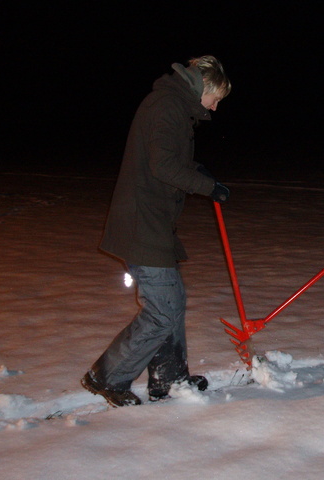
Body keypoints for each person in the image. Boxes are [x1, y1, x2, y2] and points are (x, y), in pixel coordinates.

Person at [81, 55, 232, 406]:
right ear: (203, 87)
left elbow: (168, 158)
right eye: (217, 97)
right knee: (163, 309)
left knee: (172, 301)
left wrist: (198, 169)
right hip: (142, 223)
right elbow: (162, 165)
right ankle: (108, 376)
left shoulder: (174, 106)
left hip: (152, 221)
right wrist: (206, 187)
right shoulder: (168, 106)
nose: (217, 106)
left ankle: (169, 379)